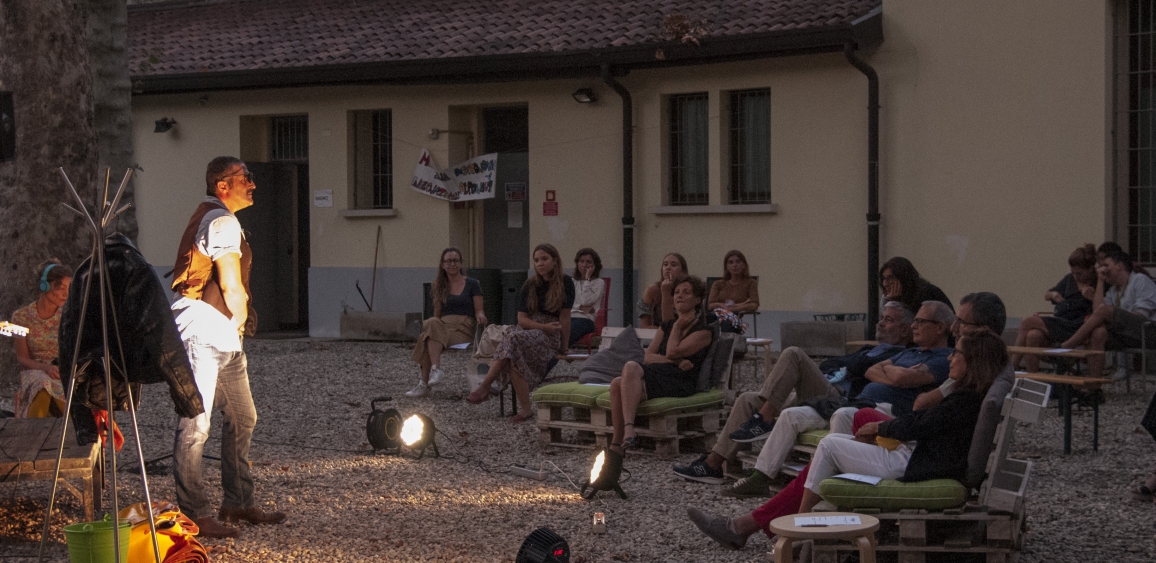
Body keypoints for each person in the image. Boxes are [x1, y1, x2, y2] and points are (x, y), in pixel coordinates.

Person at [687, 329, 1006, 551]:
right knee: (842, 437)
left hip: (916, 463)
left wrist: (882, 430)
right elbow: (926, 421)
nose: (951, 358)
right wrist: (882, 429)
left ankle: (794, 530)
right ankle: (757, 523)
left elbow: (923, 422)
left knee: (828, 446)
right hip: (924, 454)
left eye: (957, 353)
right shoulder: (970, 393)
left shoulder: (965, 399)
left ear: (974, 361)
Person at [699, 301, 952, 498]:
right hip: (853, 402)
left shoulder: (942, 358)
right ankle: (760, 477)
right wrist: (891, 372)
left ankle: (829, 486)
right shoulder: (910, 353)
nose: (915, 325)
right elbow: (870, 370)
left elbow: (901, 379)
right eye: (915, 320)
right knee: (789, 414)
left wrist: (890, 371)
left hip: (882, 411)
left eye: (921, 321)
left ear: (940, 327)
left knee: (824, 393)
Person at [170, 157, 285, 539]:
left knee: (242, 415)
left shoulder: (220, 218)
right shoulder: (221, 221)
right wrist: (240, 318)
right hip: (204, 330)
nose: (252, 183)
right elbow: (231, 284)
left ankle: (237, 501)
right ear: (223, 185)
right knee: (195, 423)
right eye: (245, 178)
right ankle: (195, 514)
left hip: (219, 334)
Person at [467, 243, 575, 422]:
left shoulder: (565, 283)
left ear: (555, 260)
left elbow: (565, 317)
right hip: (528, 330)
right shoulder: (530, 284)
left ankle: (485, 386)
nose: (540, 264)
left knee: (513, 340)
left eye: (544, 259)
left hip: (549, 334)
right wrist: (541, 327)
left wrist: (564, 347)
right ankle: (525, 409)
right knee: (514, 349)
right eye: (536, 260)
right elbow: (522, 320)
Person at [609, 275, 713, 450]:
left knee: (623, 378)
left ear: (697, 300)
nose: (679, 296)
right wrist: (677, 361)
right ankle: (622, 438)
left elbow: (672, 351)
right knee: (619, 380)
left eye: (686, 292)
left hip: (680, 380)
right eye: (677, 292)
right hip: (660, 374)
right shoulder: (666, 326)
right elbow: (648, 357)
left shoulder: (704, 331)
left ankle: (621, 439)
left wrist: (677, 327)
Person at [1059, 249, 1156, 377]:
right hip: (1128, 335)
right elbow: (1098, 311)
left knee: (1105, 312)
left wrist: (1112, 320)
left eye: (1106, 265)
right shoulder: (1113, 291)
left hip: (1148, 331)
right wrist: (1100, 281)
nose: (1102, 269)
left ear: (1119, 266)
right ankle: (1093, 384)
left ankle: (1067, 346)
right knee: (1098, 332)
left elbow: (1141, 315)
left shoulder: (1140, 280)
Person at [406, 247, 486, 398]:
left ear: (461, 263)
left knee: (426, 336)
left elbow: (479, 309)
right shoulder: (439, 286)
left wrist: (481, 315)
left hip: (462, 329)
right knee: (429, 331)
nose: (452, 264)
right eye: (448, 261)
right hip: (443, 326)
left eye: (455, 261)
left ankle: (425, 383)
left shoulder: (472, 284)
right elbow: (437, 316)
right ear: (442, 265)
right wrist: (434, 327)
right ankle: (434, 372)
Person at [1011, 244, 1097, 372]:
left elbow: (1102, 309)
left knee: (1027, 322)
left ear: (1090, 269)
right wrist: (1053, 294)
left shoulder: (1097, 283)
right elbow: (1047, 295)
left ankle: (1012, 366)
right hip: (1060, 322)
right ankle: (1033, 378)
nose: (1076, 276)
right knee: (1032, 336)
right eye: (1073, 273)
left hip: (1077, 326)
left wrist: (1092, 297)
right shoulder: (1069, 280)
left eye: (1079, 273)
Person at [11, 260, 71, 418]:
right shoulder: (20, 317)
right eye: (61, 288)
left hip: (61, 372)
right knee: (41, 385)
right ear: (45, 286)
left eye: (68, 289)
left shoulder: (68, 316)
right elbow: (22, 358)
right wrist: (45, 368)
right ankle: (32, 431)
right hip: (34, 372)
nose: (66, 294)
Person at [707, 250, 759, 333]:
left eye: (738, 262)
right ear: (726, 267)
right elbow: (711, 304)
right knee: (707, 319)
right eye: (730, 262)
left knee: (726, 323)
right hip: (716, 316)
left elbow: (754, 305)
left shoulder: (750, 283)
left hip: (735, 318)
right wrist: (727, 307)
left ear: (744, 265)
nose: (734, 265)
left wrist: (734, 308)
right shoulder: (718, 284)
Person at [880, 256, 953, 314]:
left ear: (903, 277)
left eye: (891, 278)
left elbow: (910, 324)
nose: (885, 284)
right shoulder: (886, 298)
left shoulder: (926, 293)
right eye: (884, 278)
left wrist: (894, 303)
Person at [639, 253, 687, 328]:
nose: (668, 268)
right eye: (665, 264)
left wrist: (667, 293)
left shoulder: (688, 291)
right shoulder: (652, 290)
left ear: (682, 271)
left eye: (673, 265)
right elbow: (645, 326)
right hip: (656, 332)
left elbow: (671, 325)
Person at [569, 248, 605, 347]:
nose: (584, 265)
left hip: (586, 319)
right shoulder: (572, 282)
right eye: (581, 261)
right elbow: (567, 303)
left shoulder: (599, 282)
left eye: (588, 262)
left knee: (569, 332)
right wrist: (580, 307)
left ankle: (559, 350)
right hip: (570, 317)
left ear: (595, 265)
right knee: (556, 329)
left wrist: (587, 279)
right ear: (577, 264)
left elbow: (586, 301)